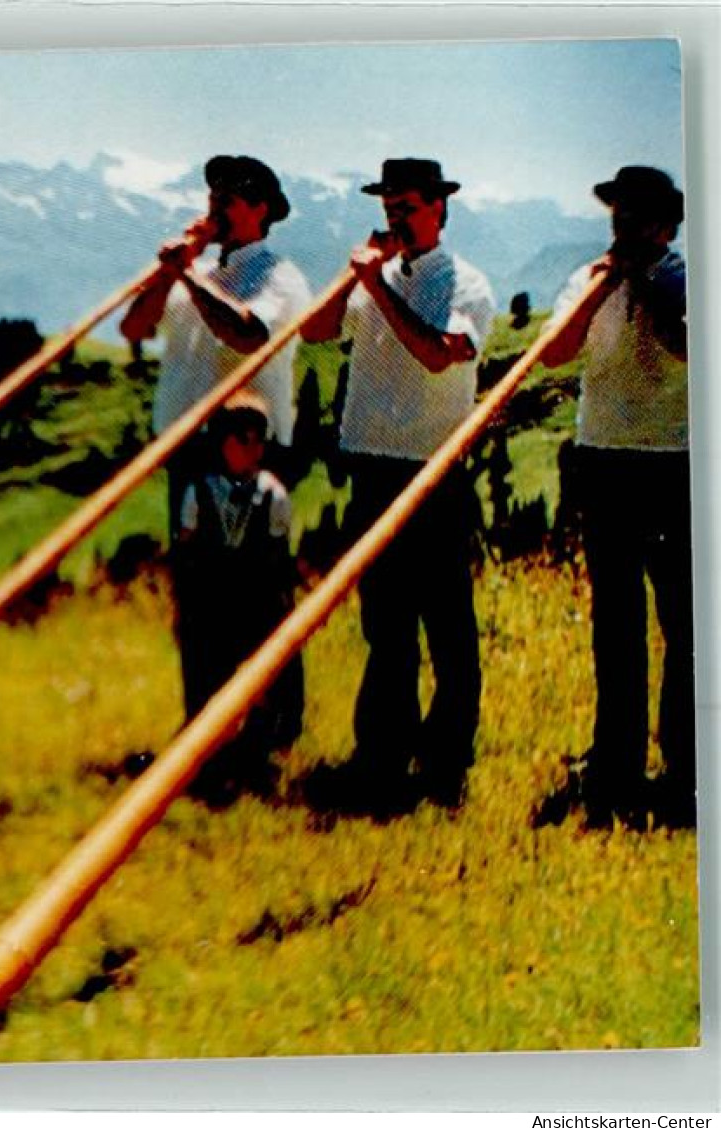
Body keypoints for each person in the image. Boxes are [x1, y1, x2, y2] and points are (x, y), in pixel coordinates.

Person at [298, 158, 496, 817]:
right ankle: (381, 753)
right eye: (388, 207)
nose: (397, 218)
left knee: (445, 624)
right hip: (373, 466)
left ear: (438, 209)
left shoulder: (464, 283)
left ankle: (444, 763)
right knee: (385, 623)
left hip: (431, 470)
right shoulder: (374, 278)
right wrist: (351, 277)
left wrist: (376, 289)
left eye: (407, 207)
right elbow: (316, 331)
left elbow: (439, 352)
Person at [120, 154, 311, 723]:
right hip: (191, 445)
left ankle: (272, 720)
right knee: (199, 594)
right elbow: (134, 329)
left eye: (227, 200)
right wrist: (166, 276)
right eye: (212, 198)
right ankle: (205, 721)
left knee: (258, 590)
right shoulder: (193, 275)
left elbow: (247, 334)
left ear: (259, 210)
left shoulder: (280, 276)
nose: (215, 210)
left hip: (251, 449)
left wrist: (186, 276)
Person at [533, 166, 692, 830]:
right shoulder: (589, 278)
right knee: (615, 626)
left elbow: (686, 347)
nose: (621, 230)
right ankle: (616, 764)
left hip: (674, 464)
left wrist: (648, 284)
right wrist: (599, 287)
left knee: (683, 627)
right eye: (615, 218)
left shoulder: (687, 278)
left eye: (634, 220)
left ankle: (685, 769)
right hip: (604, 462)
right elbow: (554, 354)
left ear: (663, 226)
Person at [171, 393, 302, 801]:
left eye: (260, 440)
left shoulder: (274, 495)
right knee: (206, 672)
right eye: (243, 439)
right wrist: (187, 603)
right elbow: (188, 554)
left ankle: (260, 750)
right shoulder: (199, 492)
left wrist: (283, 605)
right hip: (211, 602)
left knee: (269, 677)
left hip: (257, 601)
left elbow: (280, 559)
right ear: (222, 443)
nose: (254, 449)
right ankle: (207, 753)